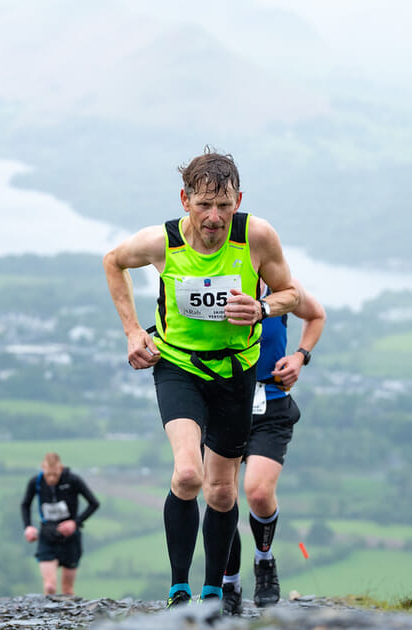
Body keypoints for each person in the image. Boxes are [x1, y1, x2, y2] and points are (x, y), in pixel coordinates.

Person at [102, 147, 299, 608]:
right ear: (185, 199)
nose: (214, 217)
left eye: (224, 206)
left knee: (223, 488)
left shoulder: (256, 236)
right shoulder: (162, 242)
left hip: (236, 372)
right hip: (179, 367)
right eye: (204, 204)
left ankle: (215, 592)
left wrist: (263, 308)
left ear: (239, 200)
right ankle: (178, 589)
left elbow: (291, 292)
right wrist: (133, 331)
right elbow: (113, 261)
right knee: (188, 473)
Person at [221, 279, 326, 614]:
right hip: (222, 405)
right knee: (222, 498)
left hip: (271, 404)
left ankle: (264, 563)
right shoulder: (217, 285)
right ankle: (228, 580)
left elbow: (316, 315)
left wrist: (300, 356)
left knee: (259, 493)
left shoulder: (281, 288)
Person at [20, 452, 100, 597]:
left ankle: (68, 618)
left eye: (55, 475)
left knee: (67, 590)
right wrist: (28, 527)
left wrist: (75, 523)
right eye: (48, 474)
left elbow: (94, 503)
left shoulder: (73, 480)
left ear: (61, 468)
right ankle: (48, 618)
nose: (51, 479)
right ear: (42, 468)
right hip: (47, 535)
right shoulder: (35, 483)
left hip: (70, 537)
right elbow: (25, 504)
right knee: (50, 587)